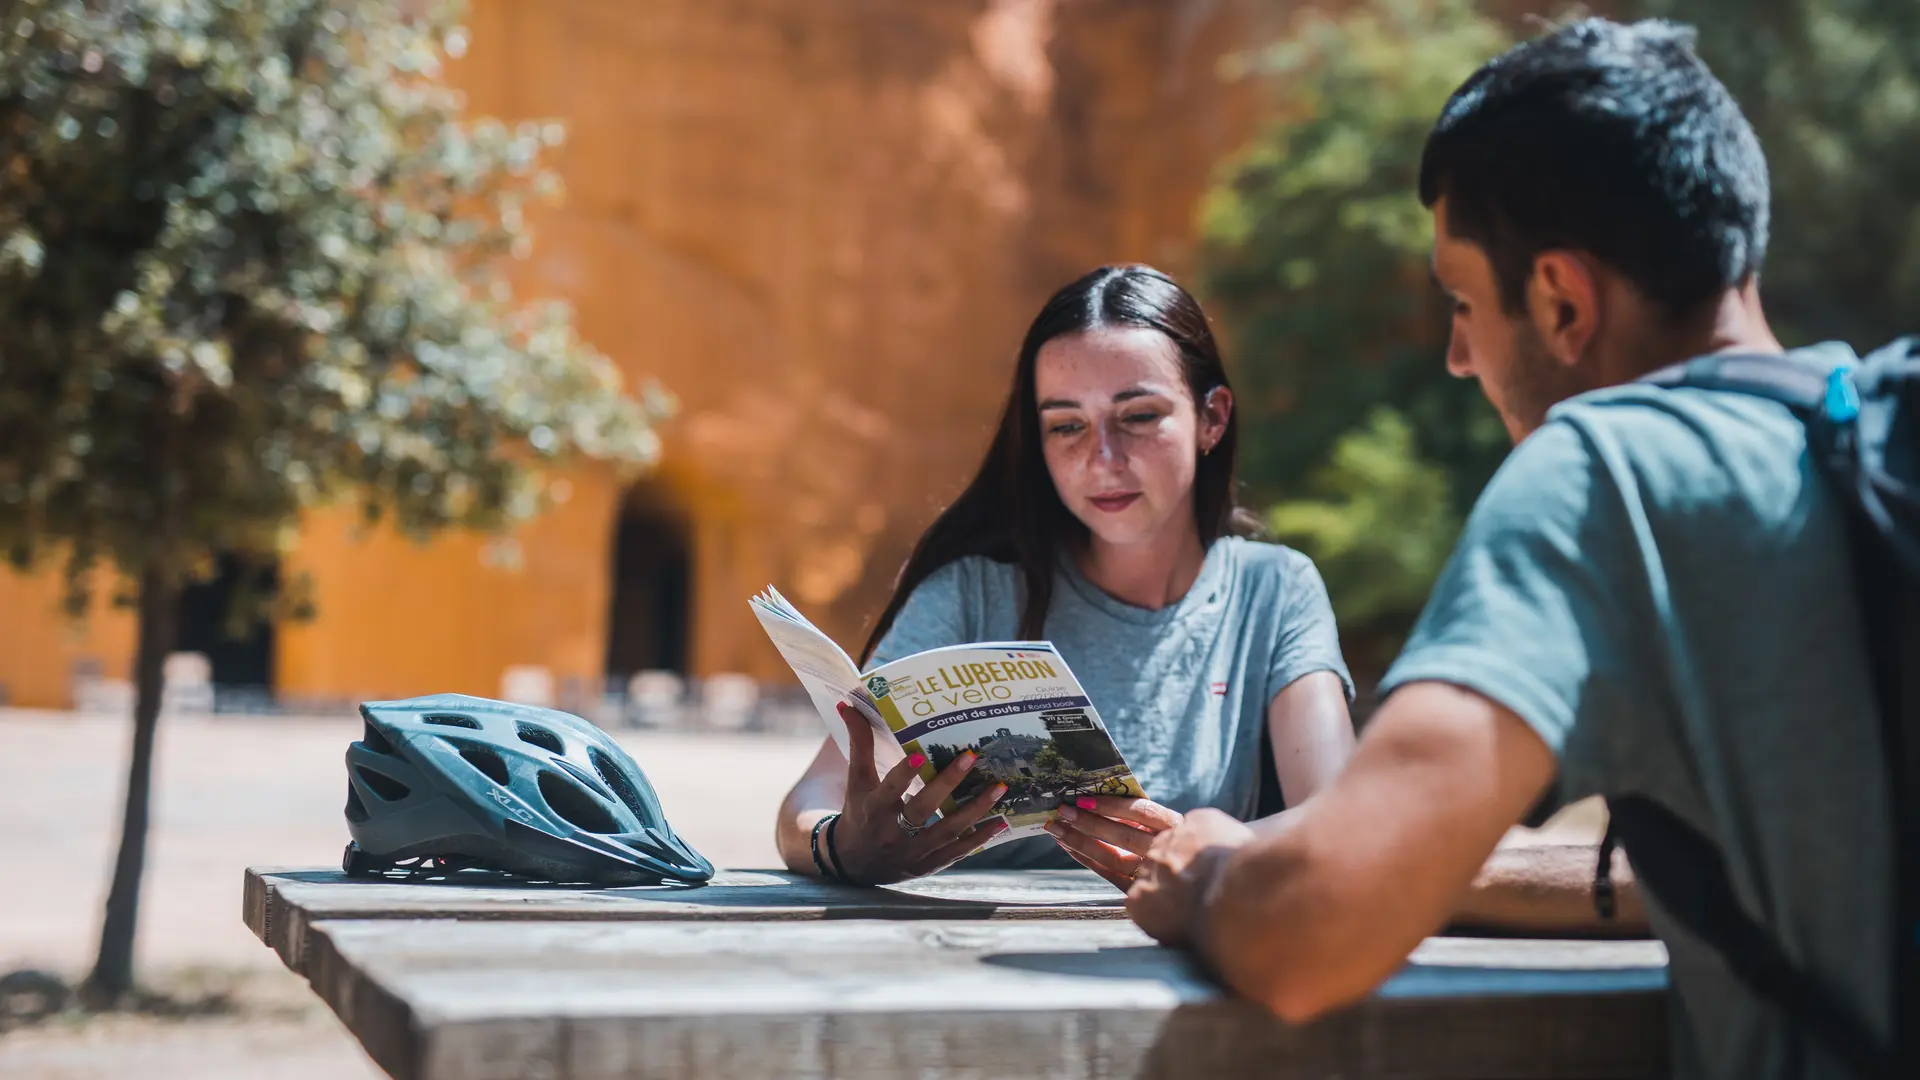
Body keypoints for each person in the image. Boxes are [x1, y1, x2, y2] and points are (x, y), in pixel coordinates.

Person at [1124, 17, 1895, 1078]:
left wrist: (1212, 875)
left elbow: (1312, 930)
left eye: (1462, 302)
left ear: (1562, 300)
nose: (1454, 356)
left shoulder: (1608, 478)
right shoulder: (1872, 441)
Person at [774, 265, 1358, 886]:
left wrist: (1206, 848)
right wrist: (841, 846)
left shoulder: (1275, 591)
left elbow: (1341, 818)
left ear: (1212, 418)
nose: (1102, 460)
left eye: (1138, 416)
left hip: (1177, 961)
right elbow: (808, 803)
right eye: (1067, 426)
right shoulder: (973, 593)